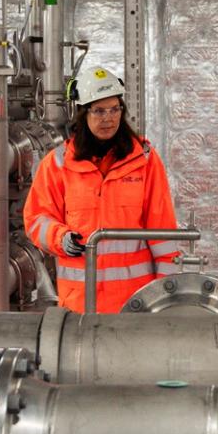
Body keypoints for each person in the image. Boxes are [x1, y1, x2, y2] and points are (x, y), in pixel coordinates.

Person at [24, 66, 185, 314]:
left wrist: (165, 298)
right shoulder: (58, 163)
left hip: (134, 306)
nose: (108, 118)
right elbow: (37, 220)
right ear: (82, 114)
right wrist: (60, 238)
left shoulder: (144, 160)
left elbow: (163, 234)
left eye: (114, 109)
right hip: (80, 306)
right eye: (98, 111)